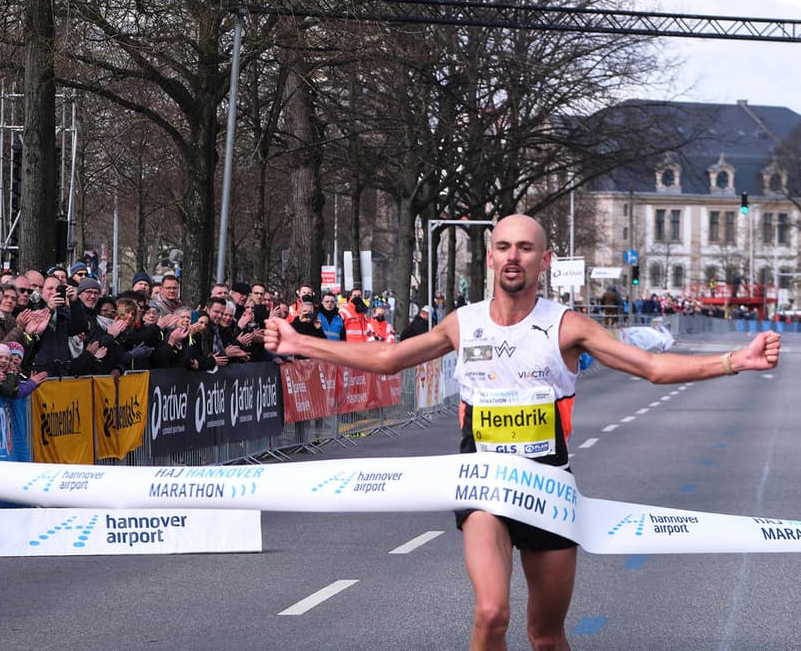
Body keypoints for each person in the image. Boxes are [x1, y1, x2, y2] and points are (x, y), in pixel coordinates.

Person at [264, 214, 781, 651]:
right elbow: (387, 358)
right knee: (491, 613)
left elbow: (652, 368)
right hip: (483, 485)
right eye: (505, 247)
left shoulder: (569, 326)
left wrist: (735, 359)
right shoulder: (462, 323)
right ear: (490, 258)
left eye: (526, 248)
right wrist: (298, 344)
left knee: (547, 637)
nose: (514, 256)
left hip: (548, 487)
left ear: (544, 260)